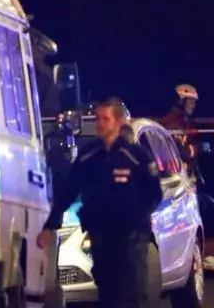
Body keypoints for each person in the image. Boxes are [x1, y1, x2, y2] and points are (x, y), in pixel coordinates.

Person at [36, 98, 162, 308]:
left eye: (106, 118)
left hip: (130, 239)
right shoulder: (89, 157)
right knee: (108, 294)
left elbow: (154, 193)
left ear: (119, 121)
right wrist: (50, 225)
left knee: (131, 295)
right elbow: (69, 192)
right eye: (98, 119)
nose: (100, 124)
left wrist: (137, 220)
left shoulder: (135, 155)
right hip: (101, 237)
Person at [158, 84, 201, 172]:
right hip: (176, 173)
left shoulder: (184, 122)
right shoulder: (172, 124)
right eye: (191, 101)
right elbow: (181, 153)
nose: (193, 105)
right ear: (181, 101)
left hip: (182, 172)